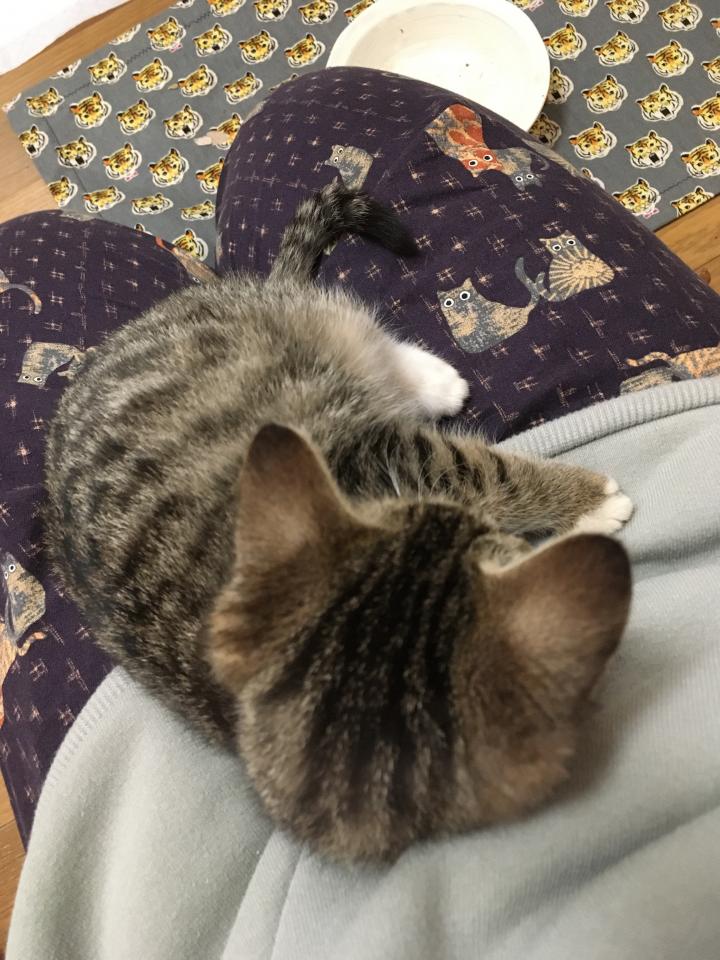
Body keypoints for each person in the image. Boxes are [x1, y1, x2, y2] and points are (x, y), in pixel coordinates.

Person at [3, 68, 720, 959]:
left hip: (179, 405)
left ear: (246, 628)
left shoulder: (279, 616)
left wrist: (529, 509)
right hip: (253, 423)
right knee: (313, 126)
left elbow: (373, 468)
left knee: (30, 252)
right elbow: (379, 478)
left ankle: (256, 292)